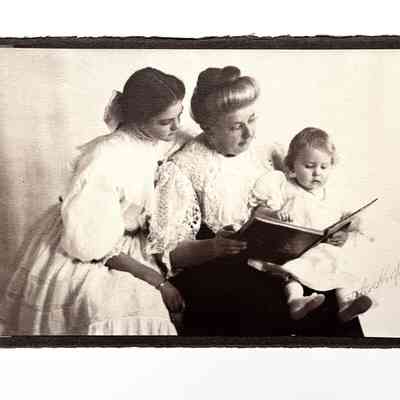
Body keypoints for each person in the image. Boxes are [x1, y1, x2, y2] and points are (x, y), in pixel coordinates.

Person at [147, 66, 364, 336]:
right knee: (267, 302)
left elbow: (311, 195)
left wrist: (334, 231)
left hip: (286, 258)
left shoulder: (271, 152)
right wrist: (213, 246)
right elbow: (169, 254)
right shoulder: (183, 167)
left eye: (252, 119)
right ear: (209, 128)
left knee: (327, 289)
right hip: (222, 269)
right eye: (236, 126)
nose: (249, 133)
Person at [0, 67, 191, 335]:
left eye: (179, 116)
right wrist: (155, 280)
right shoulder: (105, 158)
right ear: (138, 118)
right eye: (166, 121)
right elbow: (93, 247)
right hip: (91, 247)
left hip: (131, 238)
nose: (177, 126)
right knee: (125, 309)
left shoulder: (159, 138)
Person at [248, 127, 373, 321]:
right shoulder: (283, 185)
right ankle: (296, 301)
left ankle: (346, 304)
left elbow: (350, 219)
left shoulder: (333, 194)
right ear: (292, 166)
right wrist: (276, 214)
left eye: (324, 167)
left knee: (340, 265)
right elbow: (258, 212)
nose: (317, 173)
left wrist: (344, 233)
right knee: (290, 270)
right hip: (293, 247)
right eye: (309, 166)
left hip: (323, 248)